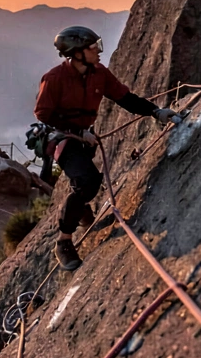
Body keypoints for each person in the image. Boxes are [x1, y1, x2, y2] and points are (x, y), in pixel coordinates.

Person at [35, 26, 181, 271]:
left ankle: (81, 209)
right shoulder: (54, 79)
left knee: (85, 183)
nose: (99, 52)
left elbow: (125, 98)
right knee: (88, 181)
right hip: (63, 140)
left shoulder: (99, 74)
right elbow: (43, 114)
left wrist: (155, 112)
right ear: (77, 53)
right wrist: (78, 131)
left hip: (84, 138)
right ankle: (63, 242)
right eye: (94, 48)